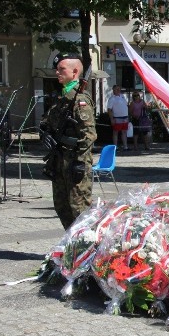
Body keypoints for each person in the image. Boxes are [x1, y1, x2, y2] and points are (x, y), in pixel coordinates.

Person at [40, 53, 97, 230]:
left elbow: (89, 134)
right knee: (62, 205)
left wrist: (80, 162)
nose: (57, 73)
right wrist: (45, 133)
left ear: (75, 72)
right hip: (59, 159)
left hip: (74, 161)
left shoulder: (79, 100)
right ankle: (73, 245)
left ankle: (87, 249)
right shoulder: (62, 99)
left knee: (79, 209)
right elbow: (47, 123)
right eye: (57, 70)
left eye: (61, 69)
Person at [107, 85, 129, 151]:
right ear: (113, 90)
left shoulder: (123, 96)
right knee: (115, 132)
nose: (118, 90)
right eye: (116, 89)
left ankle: (125, 146)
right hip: (117, 118)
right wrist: (111, 119)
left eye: (119, 89)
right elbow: (109, 109)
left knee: (124, 132)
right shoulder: (112, 99)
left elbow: (126, 105)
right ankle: (115, 147)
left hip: (125, 117)